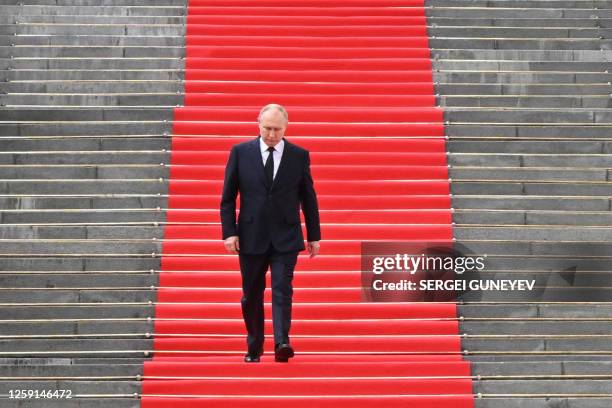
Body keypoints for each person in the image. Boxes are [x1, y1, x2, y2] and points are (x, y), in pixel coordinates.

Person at [220, 104, 321, 363]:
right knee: (251, 293)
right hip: (251, 234)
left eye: (277, 129)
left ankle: (281, 342)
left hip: (285, 235)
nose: (271, 134)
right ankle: (254, 345)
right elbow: (228, 198)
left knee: (282, 288)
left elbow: (309, 198)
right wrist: (229, 233)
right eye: (267, 128)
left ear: (286, 128)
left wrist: (314, 235)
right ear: (258, 124)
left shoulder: (299, 155)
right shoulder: (241, 152)